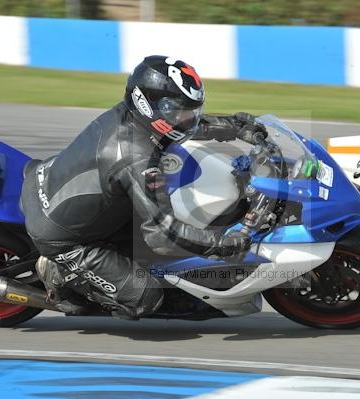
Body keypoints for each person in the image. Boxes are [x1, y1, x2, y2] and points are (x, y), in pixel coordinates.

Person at [20, 55, 267, 317]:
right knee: (146, 298)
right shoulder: (136, 156)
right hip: (65, 238)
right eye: (179, 110)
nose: (187, 117)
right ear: (148, 105)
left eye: (191, 110)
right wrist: (224, 244)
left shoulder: (136, 116)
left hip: (63, 191)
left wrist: (239, 128)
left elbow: (182, 127)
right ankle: (59, 275)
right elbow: (162, 235)